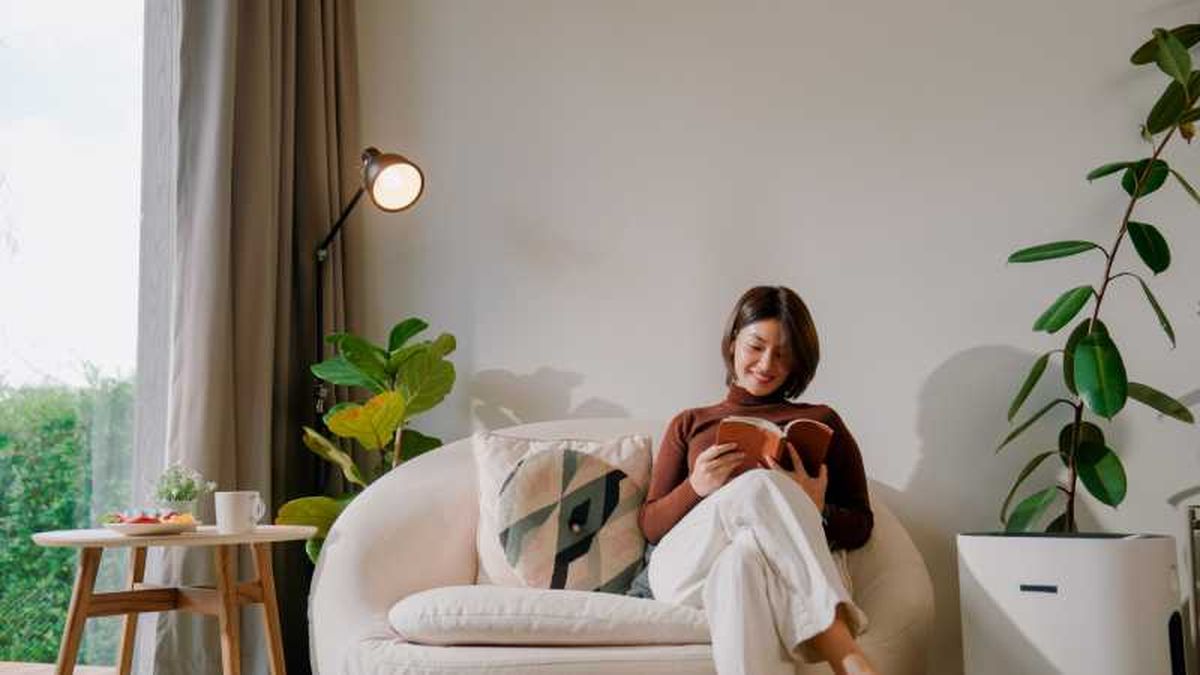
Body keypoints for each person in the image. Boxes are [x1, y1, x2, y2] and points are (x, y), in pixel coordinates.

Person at [638, 285, 877, 675]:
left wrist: (817, 508)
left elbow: (862, 526)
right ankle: (842, 649)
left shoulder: (822, 420)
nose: (767, 364)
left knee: (743, 560)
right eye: (756, 346)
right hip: (684, 572)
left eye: (782, 353)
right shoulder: (690, 422)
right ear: (733, 343)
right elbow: (649, 526)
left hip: (762, 573)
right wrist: (696, 487)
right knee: (757, 486)